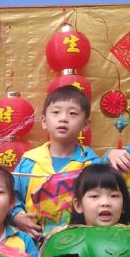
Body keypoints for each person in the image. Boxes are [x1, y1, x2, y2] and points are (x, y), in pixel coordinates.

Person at [10, 85, 99, 237]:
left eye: (72, 113)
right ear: (44, 121)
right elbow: (10, 195)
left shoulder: (91, 165)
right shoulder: (29, 161)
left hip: (79, 241)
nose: (63, 118)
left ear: (85, 124)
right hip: (33, 240)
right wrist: (16, 215)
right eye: (56, 112)